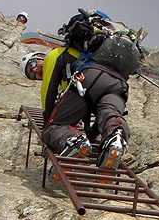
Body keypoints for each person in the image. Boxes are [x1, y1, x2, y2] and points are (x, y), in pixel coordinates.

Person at [20, 10, 137, 169]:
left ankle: (73, 140)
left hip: (90, 79)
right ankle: (116, 137)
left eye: (32, 65)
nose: (34, 71)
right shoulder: (91, 50)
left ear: (39, 56)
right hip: (119, 85)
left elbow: (48, 94)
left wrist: (49, 125)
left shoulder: (55, 55)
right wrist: (92, 135)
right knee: (110, 114)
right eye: (31, 75)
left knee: (53, 128)